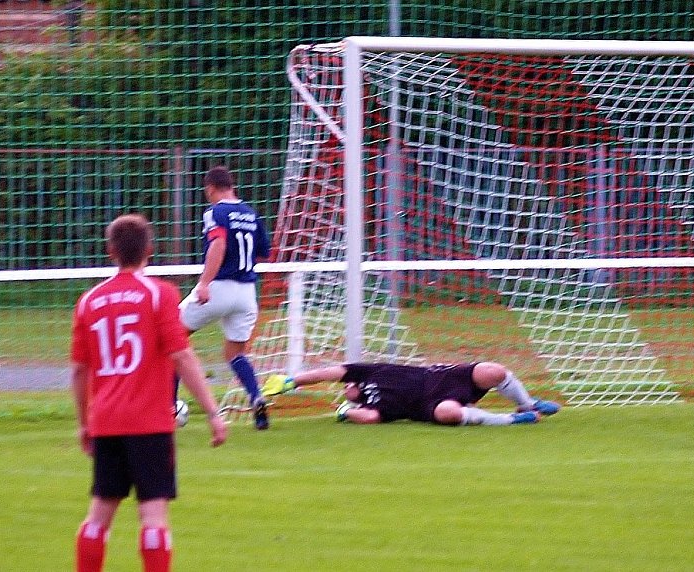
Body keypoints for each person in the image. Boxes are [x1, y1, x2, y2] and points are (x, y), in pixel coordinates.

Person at [71, 214, 227, 572]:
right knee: (153, 515)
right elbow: (181, 356)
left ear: (111, 251)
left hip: (106, 421)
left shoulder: (89, 301)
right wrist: (212, 412)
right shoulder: (160, 294)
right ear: (149, 250)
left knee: (99, 514)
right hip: (150, 423)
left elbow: (79, 370)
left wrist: (84, 423)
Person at [178, 165, 272, 430]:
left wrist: (204, 283)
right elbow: (264, 251)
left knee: (173, 336)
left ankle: (169, 407)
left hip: (219, 287)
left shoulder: (215, 212)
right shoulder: (251, 214)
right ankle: (256, 397)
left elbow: (218, 243)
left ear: (210, 189)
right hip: (246, 293)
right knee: (234, 353)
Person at [263, 361, 560, 426]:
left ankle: (527, 403)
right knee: (449, 413)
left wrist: (291, 381)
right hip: (429, 404)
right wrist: (346, 412)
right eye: (344, 393)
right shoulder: (372, 407)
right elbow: (370, 418)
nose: (345, 388)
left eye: (346, 385)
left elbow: (326, 373)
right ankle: (512, 420)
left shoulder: (365, 372)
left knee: (492, 371)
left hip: (443, 376)